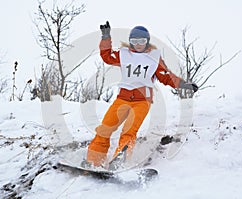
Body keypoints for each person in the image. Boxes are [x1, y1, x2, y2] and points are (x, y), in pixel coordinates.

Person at [85, 21, 198, 168]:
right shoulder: (123, 54)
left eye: (142, 41)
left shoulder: (154, 58)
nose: (138, 44)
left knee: (128, 131)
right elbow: (107, 56)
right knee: (105, 129)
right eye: (134, 41)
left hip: (142, 101)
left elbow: (166, 76)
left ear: (147, 41)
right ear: (130, 42)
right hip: (122, 99)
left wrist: (183, 84)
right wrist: (106, 37)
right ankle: (94, 160)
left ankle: (120, 161)